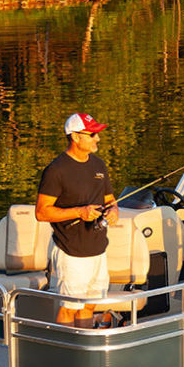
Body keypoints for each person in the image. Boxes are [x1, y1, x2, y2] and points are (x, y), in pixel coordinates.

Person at [36, 112, 120, 327]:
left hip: (98, 249)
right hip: (70, 251)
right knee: (69, 307)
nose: (97, 138)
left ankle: (85, 343)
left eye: (97, 134)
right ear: (75, 137)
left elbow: (110, 200)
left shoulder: (99, 165)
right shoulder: (56, 170)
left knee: (89, 306)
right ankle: (65, 347)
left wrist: (113, 211)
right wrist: (80, 212)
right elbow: (42, 212)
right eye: (92, 134)